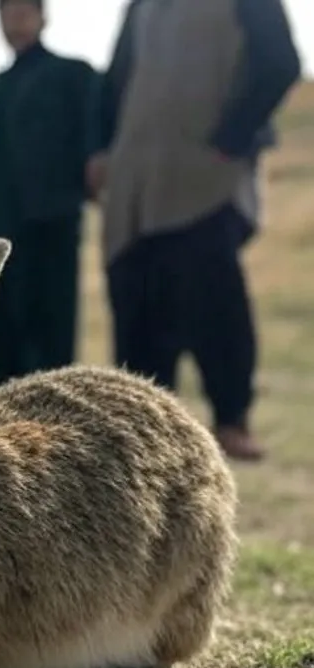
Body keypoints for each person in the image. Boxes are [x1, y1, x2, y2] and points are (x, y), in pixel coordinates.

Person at [89, 0, 301, 462]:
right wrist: (103, 151)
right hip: (137, 183)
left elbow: (280, 62)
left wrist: (231, 138)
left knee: (213, 304)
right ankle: (143, 433)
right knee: (137, 304)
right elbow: (116, 81)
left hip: (201, 177)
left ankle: (231, 421)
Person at [0, 0, 98, 386]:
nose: (14, 24)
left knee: (51, 341)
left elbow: (94, 143)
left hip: (50, 225)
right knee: (5, 339)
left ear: (42, 17)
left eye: (23, 14)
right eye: (6, 15)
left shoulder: (74, 74)